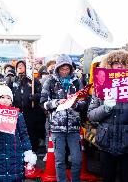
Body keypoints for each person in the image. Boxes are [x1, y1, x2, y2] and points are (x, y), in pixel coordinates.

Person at [87, 49, 128, 182]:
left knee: (127, 178)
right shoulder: (100, 87)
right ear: (109, 65)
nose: (119, 65)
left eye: (123, 62)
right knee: (107, 178)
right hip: (106, 144)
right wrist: (105, 108)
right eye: (115, 62)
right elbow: (91, 115)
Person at [40, 54, 86, 182]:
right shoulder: (50, 81)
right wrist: (56, 102)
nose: (65, 71)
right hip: (56, 127)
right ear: (58, 68)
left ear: (71, 68)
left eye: (67, 69)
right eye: (62, 69)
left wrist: (75, 104)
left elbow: (84, 102)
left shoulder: (77, 81)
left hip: (74, 127)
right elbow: (43, 102)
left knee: (77, 159)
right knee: (59, 160)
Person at [7, 60, 45, 152]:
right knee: (18, 132)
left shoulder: (32, 80)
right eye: (18, 66)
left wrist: (35, 97)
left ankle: (32, 150)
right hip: (17, 111)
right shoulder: (12, 80)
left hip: (31, 111)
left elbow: (42, 94)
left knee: (31, 132)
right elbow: (7, 94)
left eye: (22, 65)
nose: (20, 67)